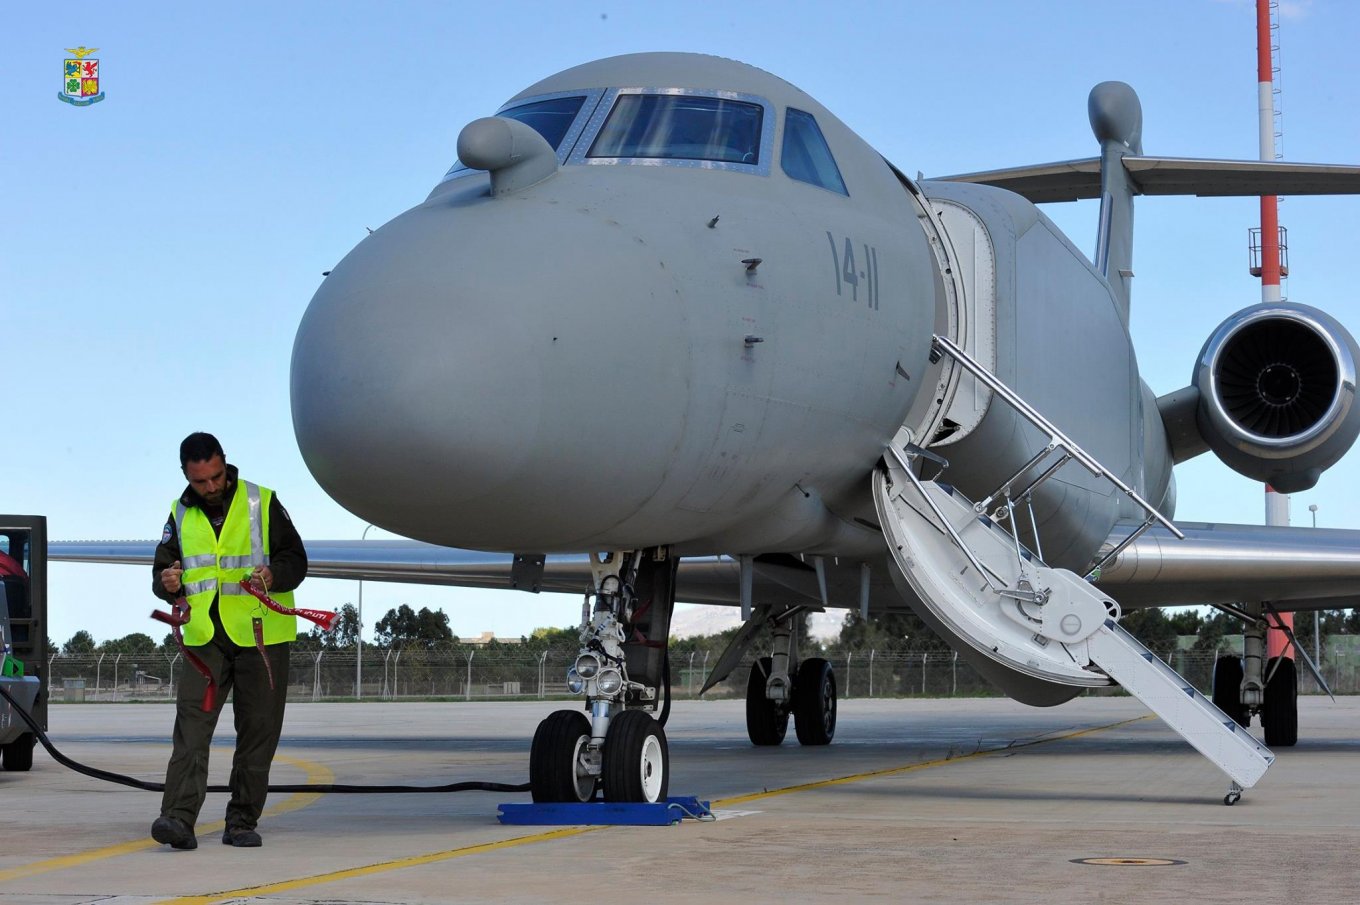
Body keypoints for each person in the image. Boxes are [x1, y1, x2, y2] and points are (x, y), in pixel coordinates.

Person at [149, 432, 307, 850]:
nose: (211, 487)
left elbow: (296, 559)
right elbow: (162, 573)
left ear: (225, 464)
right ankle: (177, 819)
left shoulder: (262, 501)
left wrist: (275, 575)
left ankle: (241, 821)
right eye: (200, 482)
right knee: (192, 731)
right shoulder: (178, 515)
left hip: (260, 638)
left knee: (258, 731)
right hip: (205, 641)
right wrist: (166, 584)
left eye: (216, 477)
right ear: (186, 475)